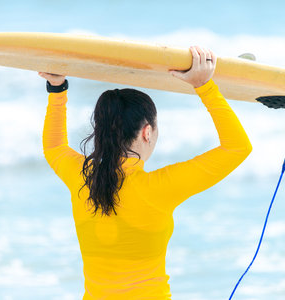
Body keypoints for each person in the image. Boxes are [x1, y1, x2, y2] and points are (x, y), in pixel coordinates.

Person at [39, 46, 252, 300]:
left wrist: (56, 87)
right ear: (147, 132)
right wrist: (204, 87)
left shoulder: (82, 178)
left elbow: (54, 147)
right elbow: (238, 147)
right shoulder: (160, 187)